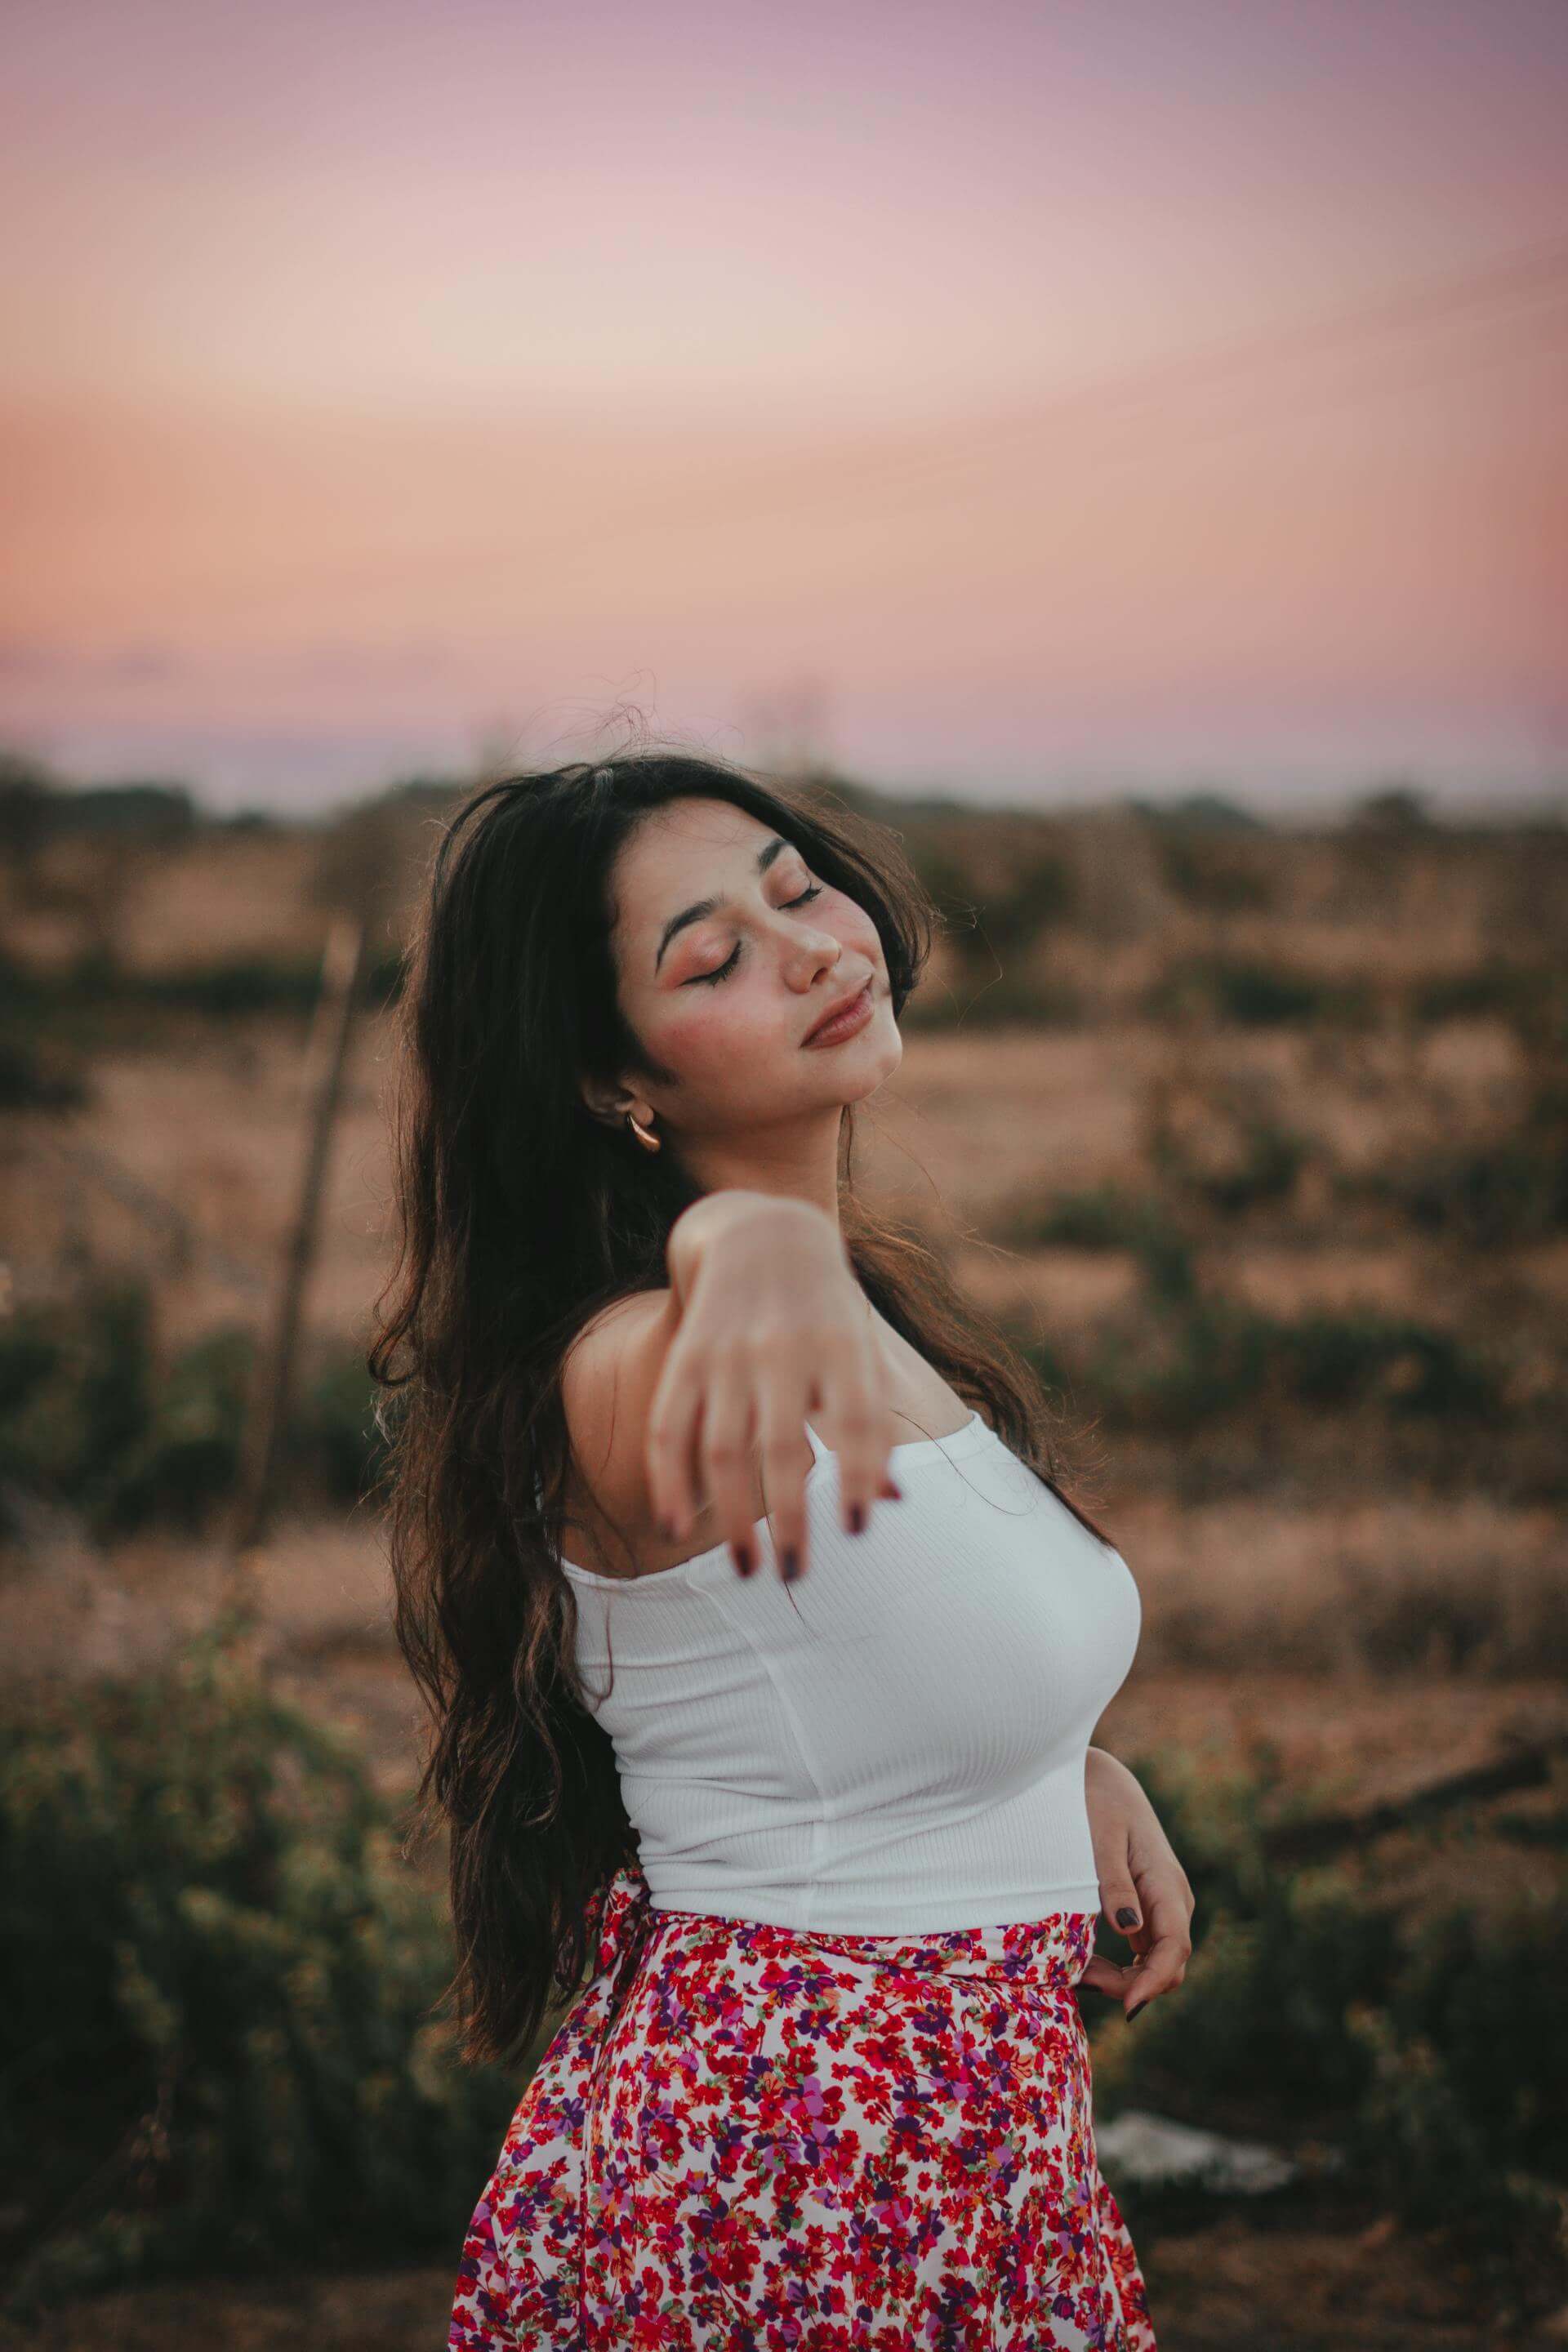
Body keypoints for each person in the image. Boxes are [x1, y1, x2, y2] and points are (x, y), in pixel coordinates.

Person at [368, 748, 1192, 2348]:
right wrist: (740, 1239)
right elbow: (679, 1340)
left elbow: (863, 1648)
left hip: (938, 2145)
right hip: (809, 2156)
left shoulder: (871, 1319)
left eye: (794, 885)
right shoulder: (616, 1379)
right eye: (710, 954)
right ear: (615, 1083)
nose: (810, 942)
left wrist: (1057, 1760)